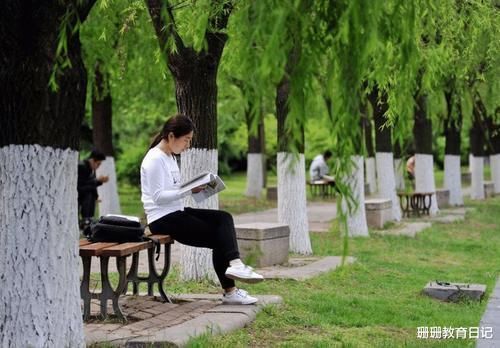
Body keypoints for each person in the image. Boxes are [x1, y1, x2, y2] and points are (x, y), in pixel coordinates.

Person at [140, 114, 264, 305]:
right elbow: (158, 197)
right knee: (220, 238)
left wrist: (195, 187)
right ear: (172, 136)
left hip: (176, 212)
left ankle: (236, 266)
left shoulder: (170, 157)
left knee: (223, 218)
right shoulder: (155, 159)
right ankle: (231, 289)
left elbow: (173, 191)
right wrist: (188, 190)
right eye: (186, 140)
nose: (187, 145)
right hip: (161, 219)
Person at [77, 149, 109, 231]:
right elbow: (81, 185)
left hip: (83, 194)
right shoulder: (82, 167)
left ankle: (87, 219)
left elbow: (90, 183)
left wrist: (96, 195)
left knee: (91, 193)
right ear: (92, 160)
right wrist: (98, 181)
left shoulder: (89, 168)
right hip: (78, 194)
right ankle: (86, 219)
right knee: (89, 193)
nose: (98, 167)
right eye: (98, 164)